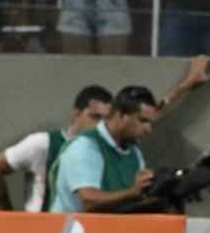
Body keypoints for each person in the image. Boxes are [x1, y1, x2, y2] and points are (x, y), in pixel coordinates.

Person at [0, 56, 210, 212]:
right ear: (76, 114)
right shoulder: (55, 144)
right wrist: (10, 218)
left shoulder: (125, 147)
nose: (102, 123)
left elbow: (153, 111)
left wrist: (186, 85)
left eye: (104, 117)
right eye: (95, 117)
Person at [50, 85, 160, 213]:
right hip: (71, 230)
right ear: (120, 115)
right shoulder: (85, 146)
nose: (148, 129)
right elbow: (88, 201)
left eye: (151, 123)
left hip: (106, 230)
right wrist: (132, 193)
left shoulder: (135, 153)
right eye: (142, 121)